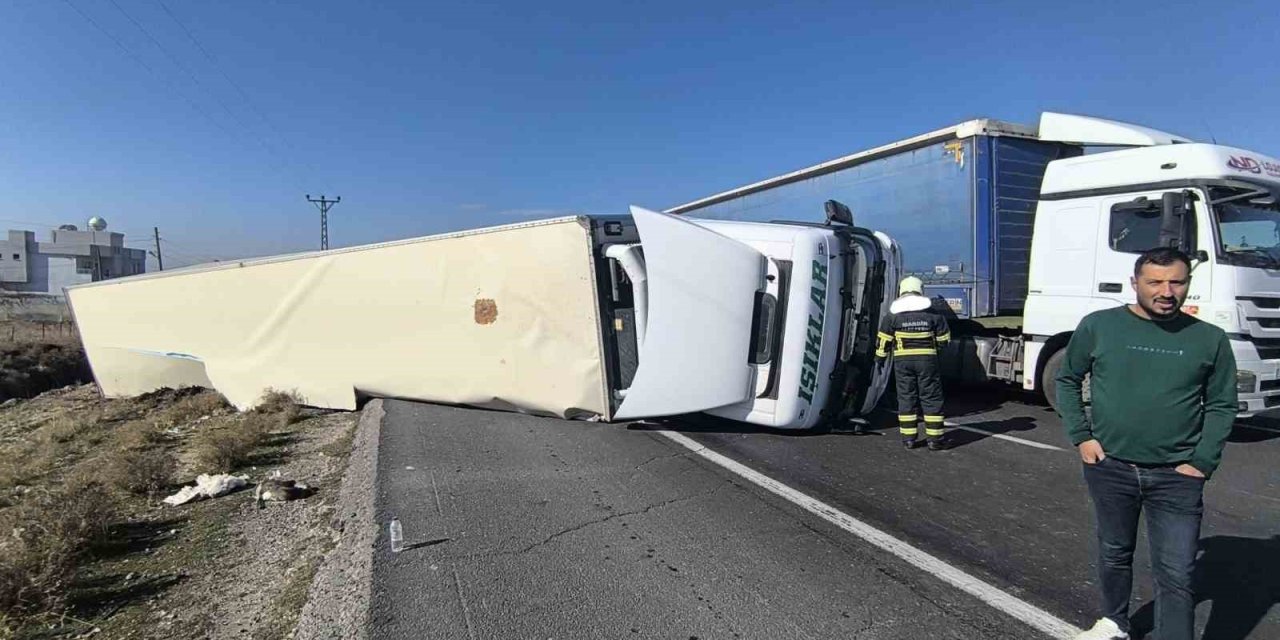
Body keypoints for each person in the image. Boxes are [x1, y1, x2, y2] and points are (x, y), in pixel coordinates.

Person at [1057, 247, 1237, 640]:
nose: (1167, 291)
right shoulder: (1099, 326)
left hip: (1178, 476)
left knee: (1176, 571)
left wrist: (1203, 461)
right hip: (1111, 467)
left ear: (1188, 283)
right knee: (1114, 552)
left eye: (1177, 281)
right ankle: (1114, 622)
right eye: (1155, 281)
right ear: (1135, 283)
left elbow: (1223, 404)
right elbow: (1067, 380)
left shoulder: (1209, 339)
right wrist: (1082, 437)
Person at [876, 276, 950, 450]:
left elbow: (883, 341)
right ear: (920, 290)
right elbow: (944, 340)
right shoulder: (933, 314)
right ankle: (935, 440)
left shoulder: (892, 316)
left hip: (903, 362)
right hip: (927, 362)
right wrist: (935, 350)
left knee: (906, 397)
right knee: (931, 398)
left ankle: (908, 439)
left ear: (901, 291)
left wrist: (879, 359)